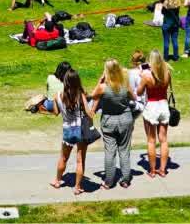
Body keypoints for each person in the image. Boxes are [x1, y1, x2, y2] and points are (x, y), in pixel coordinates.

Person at [89, 58, 135, 189]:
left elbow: (92, 96)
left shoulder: (103, 87)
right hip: (125, 119)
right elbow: (134, 98)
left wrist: (100, 81)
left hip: (109, 120)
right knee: (124, 150)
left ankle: (109, 181)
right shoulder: (125, 85)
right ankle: (125, 179)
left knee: (110, 152)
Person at [51, 67, 95, 195]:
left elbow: (55, 112)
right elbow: (89, 114)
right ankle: (77, 187)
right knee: (80, 160)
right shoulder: (80, 95)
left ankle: (57, 181)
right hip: (80, 129)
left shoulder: (58, 95)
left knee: (63, 158)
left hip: (67, 130)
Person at [139, 50, 174, 177]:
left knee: (151, 140)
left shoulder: (146, 75)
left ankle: (152, 170)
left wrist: (141, 75)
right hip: (163, 105)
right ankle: (163, 169)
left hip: (152, 106)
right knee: (163, 140)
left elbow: (138, 92)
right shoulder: (167, 73)